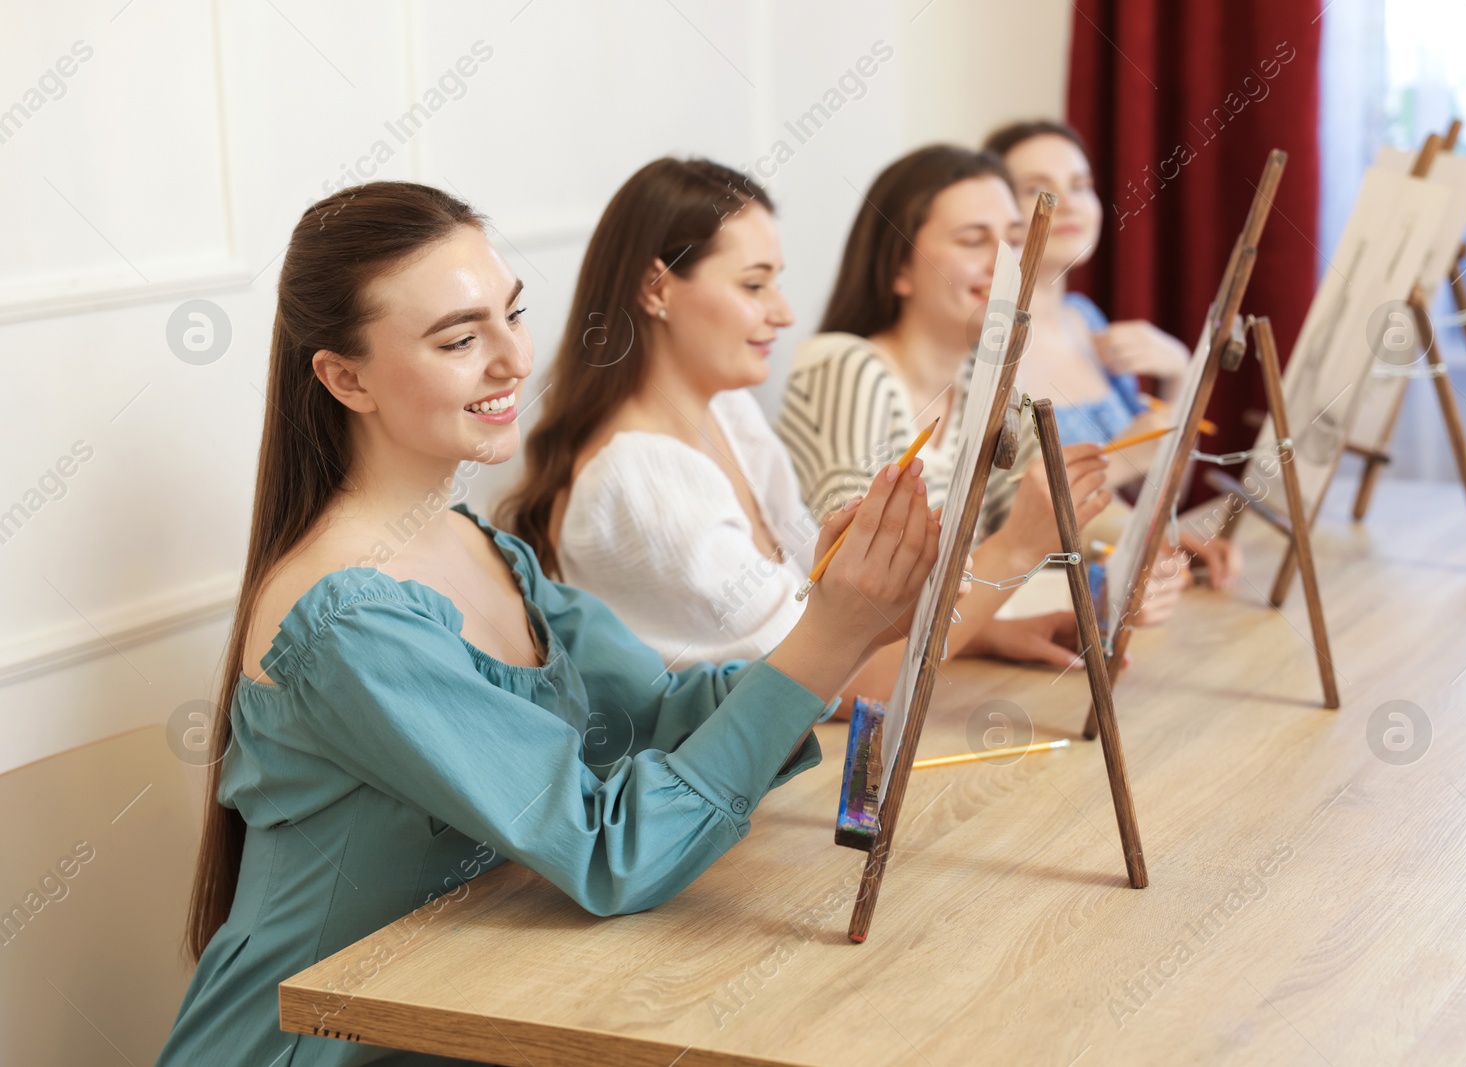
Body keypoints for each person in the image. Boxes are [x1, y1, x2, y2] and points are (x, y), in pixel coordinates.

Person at [157, 181, 938, 1066]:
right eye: (459, 338)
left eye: (512, 315)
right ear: (345, 377)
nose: (511, 359)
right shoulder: (350, 618)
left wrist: (847, 617)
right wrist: (829, 638)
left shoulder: (481, 548)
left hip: (456, 1017)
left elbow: (664, 710)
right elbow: (610, 850)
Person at [500, 158, 1113, 703]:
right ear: (656, 289)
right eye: (753, 284)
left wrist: (990, 634)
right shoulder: (642, 480)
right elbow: (828, 685)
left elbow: (824, 628)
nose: (784, 311)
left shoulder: (729, 415)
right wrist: (1015, 550)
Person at [777, 144, 1186, 631]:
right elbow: (868, 593)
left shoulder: (987, 381)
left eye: (1013, 239)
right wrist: (995, 628)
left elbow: (1047, 513)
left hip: (949, 660)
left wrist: (1146, 546)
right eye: (973, 241)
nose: (1004, 262)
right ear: (898, 269)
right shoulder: (849, 367)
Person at [983, 120, 1241, 589]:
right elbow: (994, 520)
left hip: (1134, 600)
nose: (1069, 202)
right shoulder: (985, 347)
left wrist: (1180, 375)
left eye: (1080, 185)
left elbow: (1154, 497)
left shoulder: (1087, 320)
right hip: (1047, 609)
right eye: (1037, 188)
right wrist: (1118, 460)